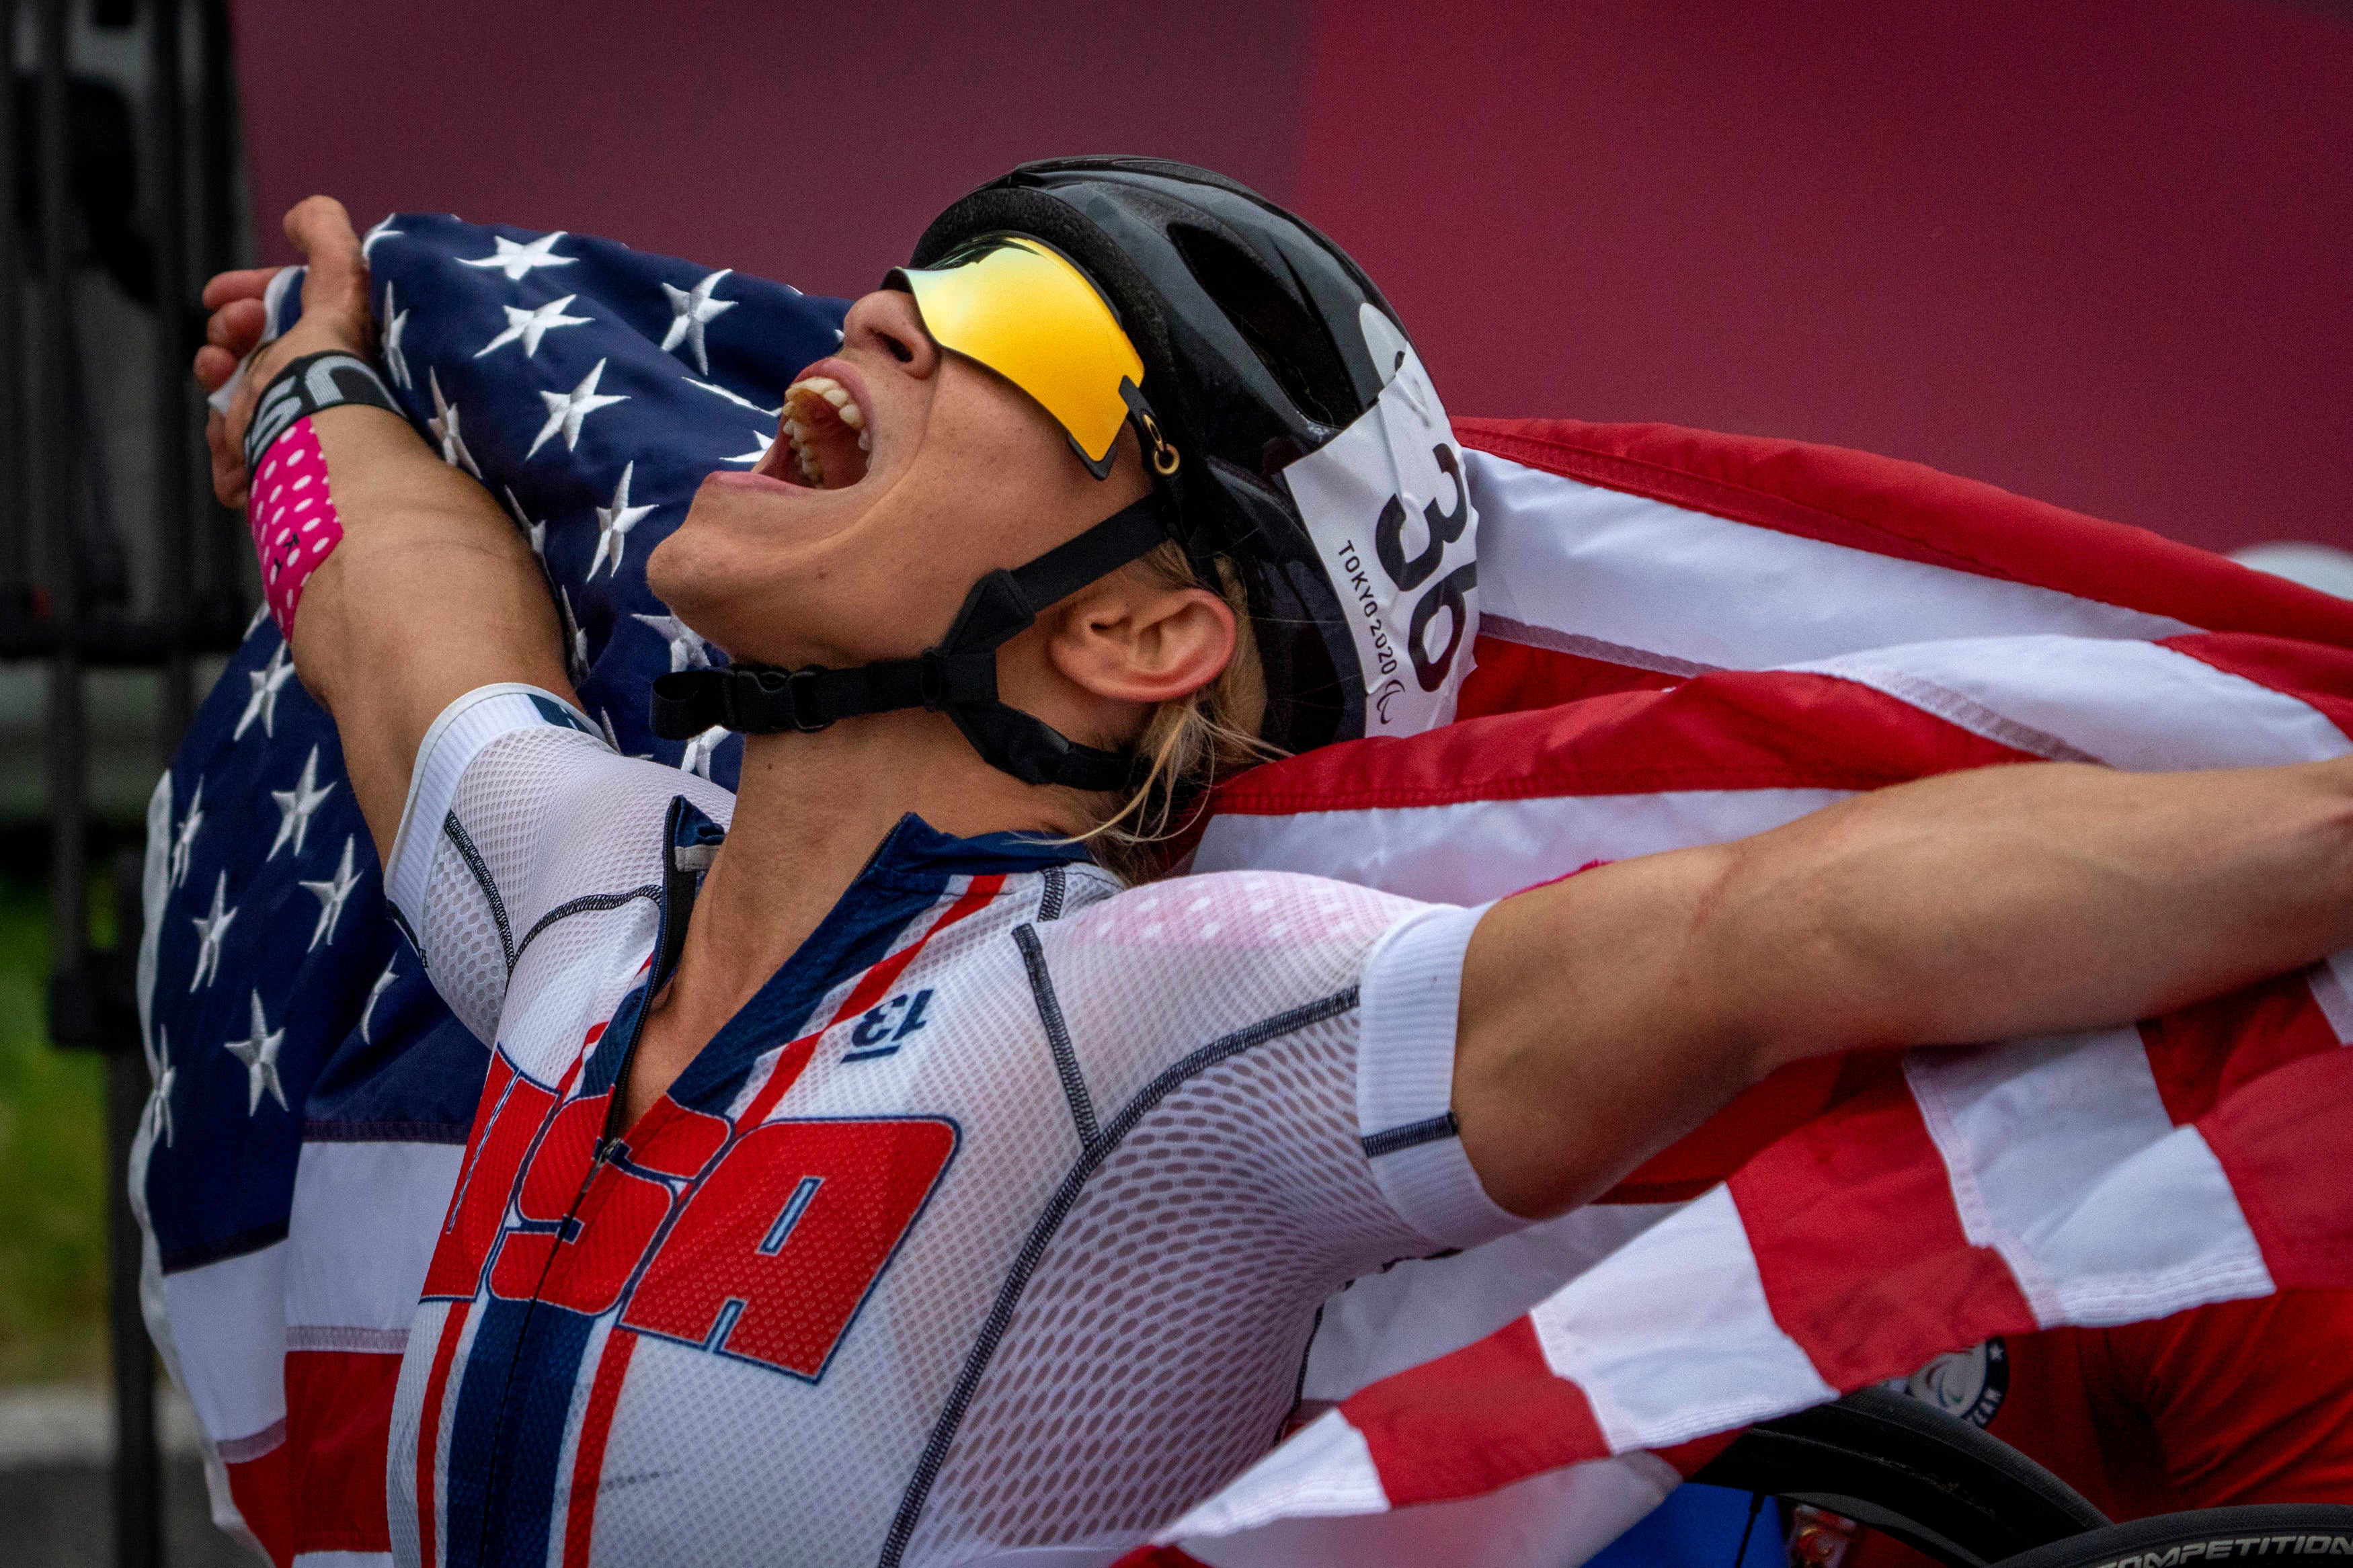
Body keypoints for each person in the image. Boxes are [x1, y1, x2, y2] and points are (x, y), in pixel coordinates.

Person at [194, 159, 2353, 1568]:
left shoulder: (1177, 1005)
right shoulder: (577, 888)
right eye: (924, 271)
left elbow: (1774, 931)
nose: (882, 312)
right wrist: (311, 400)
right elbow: (403, 621)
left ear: (1142, 630)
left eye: (1016, 325)